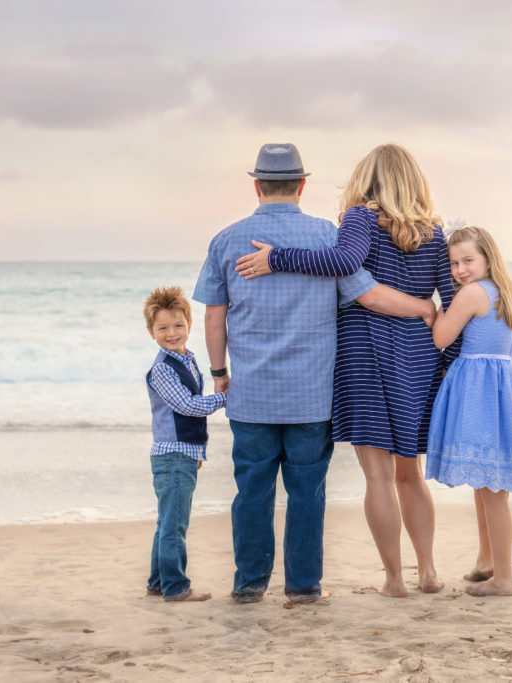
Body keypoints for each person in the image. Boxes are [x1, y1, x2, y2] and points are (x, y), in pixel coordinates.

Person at [193, 143, 434, 604]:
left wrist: (219, 372)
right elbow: (369, 296)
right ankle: (303, 588)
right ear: (302, 185)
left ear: (257, 185)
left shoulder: (226, 239)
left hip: (253, 395)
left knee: (252, 492)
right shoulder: (326, 235)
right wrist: (425, 307)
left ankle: (249, 585)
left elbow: (213, 316)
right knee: (307, 493)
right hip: (312, 395)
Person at [425, 226, 512, 597]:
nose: (460, 269)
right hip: (506, 387)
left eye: (468, 260)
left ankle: (504, 579)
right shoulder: (505, 291)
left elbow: (441, 339)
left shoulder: (471, 294)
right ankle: (486, 561)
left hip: (482, 392)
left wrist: (431, 312)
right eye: (453, 263)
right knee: (486, 483)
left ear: (487, 258)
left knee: (492, 489)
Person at [143, 286, 227, 602]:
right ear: (151, 331)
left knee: (167, 521)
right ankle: (175, 587)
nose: (172, 333)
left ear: (189, 325)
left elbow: (188, 419)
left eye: (178, 325)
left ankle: (157, 582)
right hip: (172, 455)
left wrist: (197, 452)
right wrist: (224, 398)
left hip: (183, 454)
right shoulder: (163, 368)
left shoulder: (187, 360)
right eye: (163, 327)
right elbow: (188, 406)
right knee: (173, 525)